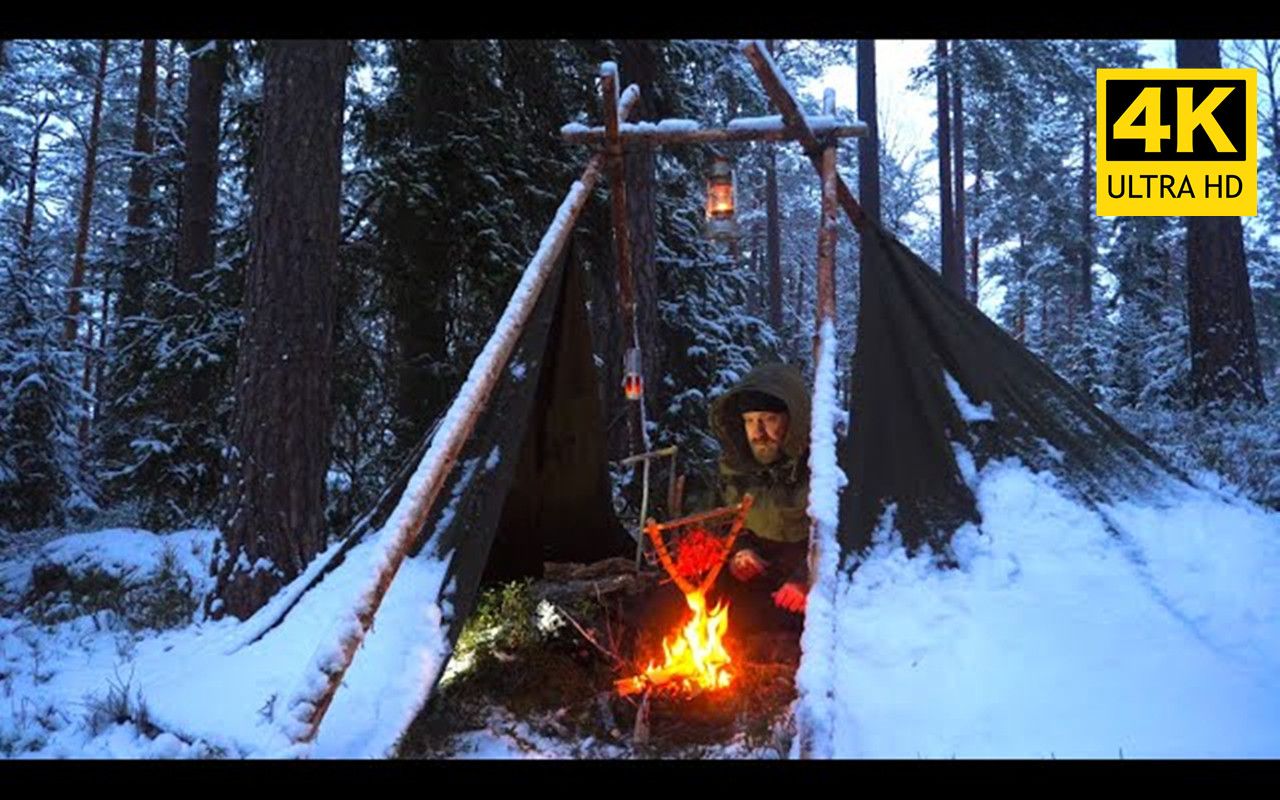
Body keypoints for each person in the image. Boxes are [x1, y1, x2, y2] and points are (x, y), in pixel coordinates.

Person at [705, 362, 811, 630]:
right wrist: (739, 552)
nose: (758, 432)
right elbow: (721, 522)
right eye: (750, 421)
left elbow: (848, 538)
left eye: (769, 419)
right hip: (756, 583)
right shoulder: (734, 468)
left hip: (806, 588)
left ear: (793, 419)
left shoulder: (823, 467)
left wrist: (807, 578)